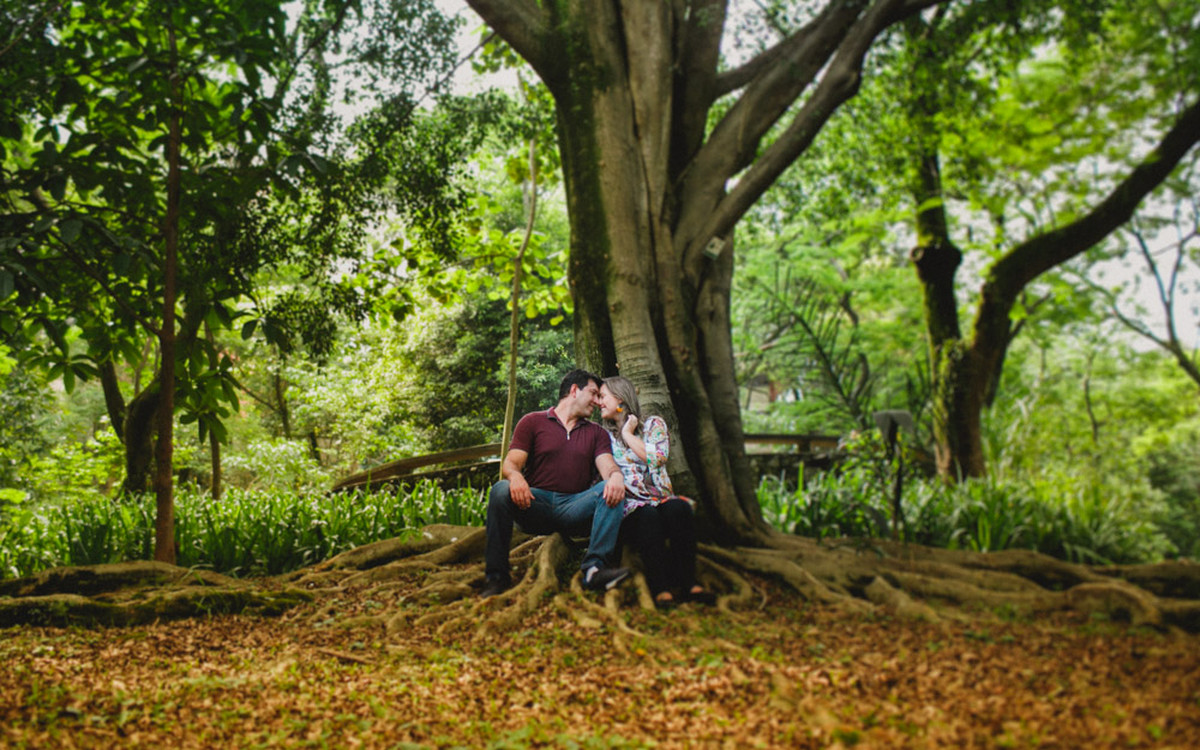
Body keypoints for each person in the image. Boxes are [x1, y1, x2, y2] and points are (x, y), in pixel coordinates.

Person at [482, 369, 631, 598]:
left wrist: (616, 476)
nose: (596, 401)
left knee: (609, 487)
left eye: (599, 396)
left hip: (574, 508)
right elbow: (511, 463)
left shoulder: (596, 433)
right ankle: (496, 577)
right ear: (574, 390)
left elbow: (607, 466)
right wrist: (516, 477)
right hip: (534, 504)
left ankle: (594, 569)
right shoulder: (532, 421)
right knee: (500, 489)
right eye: (593, 393)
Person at [597, 376, 715, 609]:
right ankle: (660, 588)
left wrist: (629, 434)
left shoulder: (653, 425)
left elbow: (657, 458)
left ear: (619, 398)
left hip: (659, 499)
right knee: (648, 516)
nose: (598, 402)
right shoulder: (602, 436)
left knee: (678, 508)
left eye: (602, 396)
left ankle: (689, 584)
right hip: (628, 506)